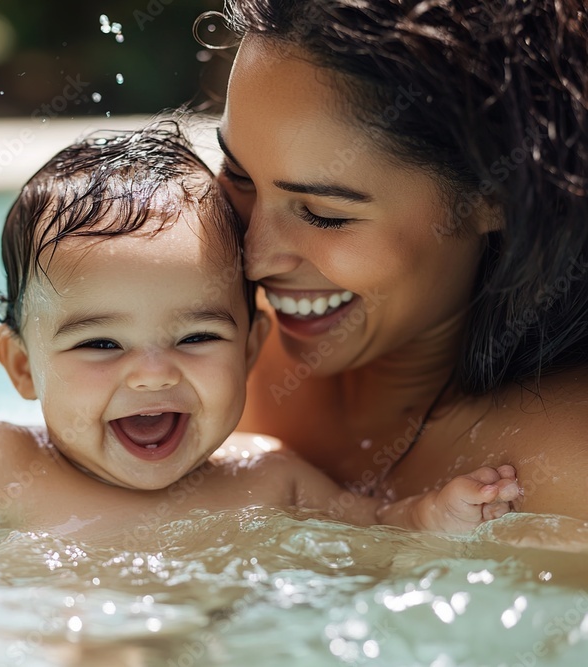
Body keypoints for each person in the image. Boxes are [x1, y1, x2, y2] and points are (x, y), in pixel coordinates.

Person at [0, 122, 520, 606]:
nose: (150, 375)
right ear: (21, 365)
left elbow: (366, 539)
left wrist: (432, 519)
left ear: (254, 347)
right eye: (100, 343)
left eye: (195, 337)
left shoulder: (268, 477)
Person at [213, 0, 588, 518]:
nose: (251, 259)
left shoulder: (562, 474)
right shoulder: (204, 361)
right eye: (238, 176)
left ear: (496, 195)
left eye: (324, 214)